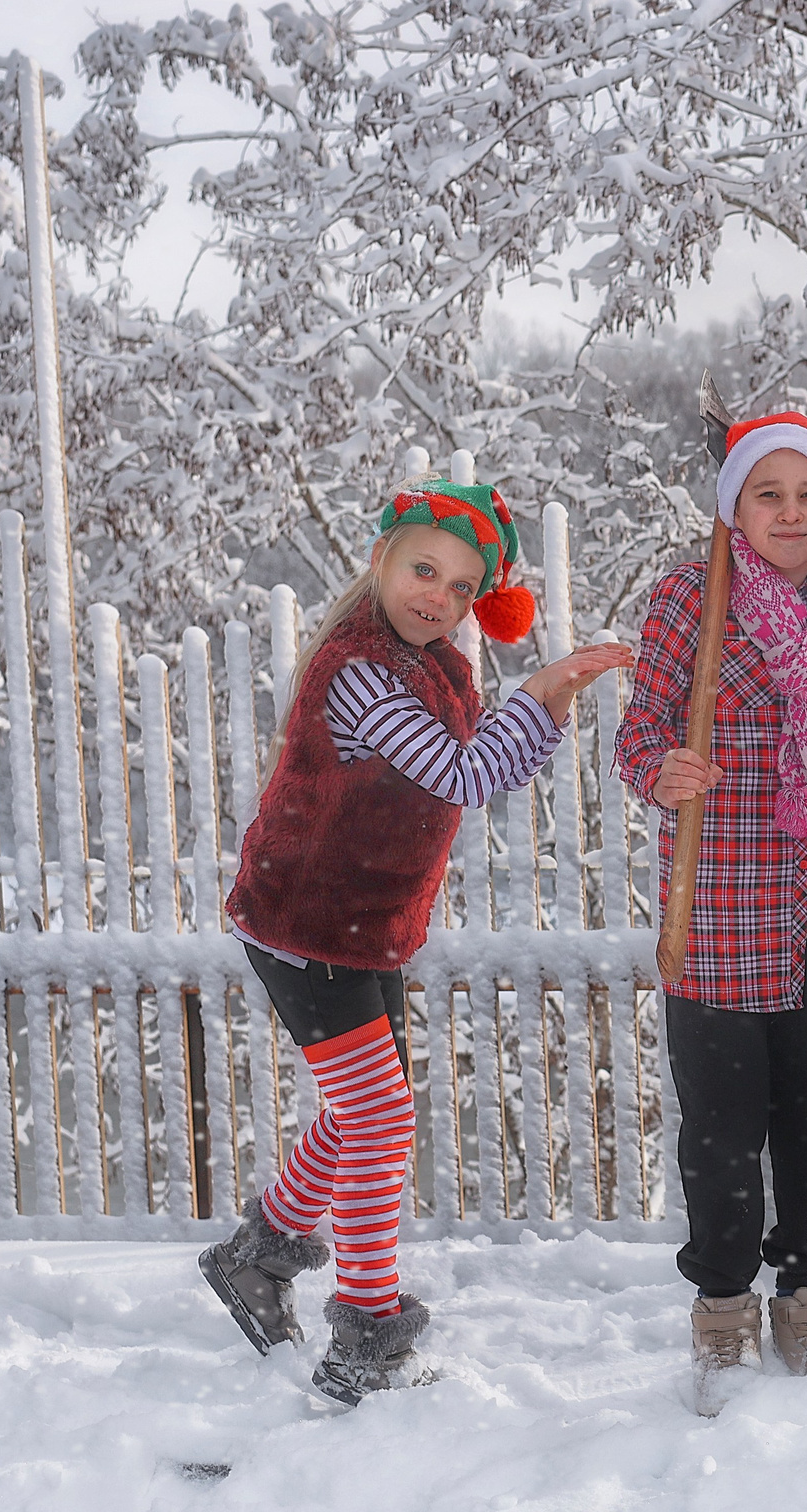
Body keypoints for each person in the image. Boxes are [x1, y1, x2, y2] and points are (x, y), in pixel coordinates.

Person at [200, 477, 630, 1406]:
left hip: (364, 928)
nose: (438, 594)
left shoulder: (435, 662)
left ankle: (260, 1254)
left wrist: (541, 710)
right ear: (382, 559)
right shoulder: (360, 670)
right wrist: (548, 687)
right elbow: (459, 770)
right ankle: (366, 1339)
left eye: (463, 586)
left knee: (365, 1109)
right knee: (382, 1117)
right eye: (423, 568)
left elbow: (486, 769)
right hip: (306, 923)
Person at [614, 410, 807, 1417]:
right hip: (720, 893)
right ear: (734, 505)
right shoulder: (694, 592)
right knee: (723, 1127)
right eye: (766, 494)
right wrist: (662, 767)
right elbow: (641, 726)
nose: (788, 512)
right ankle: (724, 1312)